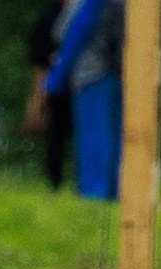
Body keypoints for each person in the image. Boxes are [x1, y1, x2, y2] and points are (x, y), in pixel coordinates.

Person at [43, 0, 121, 202]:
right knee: (114, 136)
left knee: (94, 137)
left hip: (91, 73)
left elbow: (77, 30)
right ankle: (113, 190)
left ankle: (94, 192)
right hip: (119, 73)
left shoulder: (90, 3)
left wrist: (55, 79)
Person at [24, 1, 74, 191]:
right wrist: (49, 57)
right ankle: (55, 181)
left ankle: (82, 180)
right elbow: (36, 50)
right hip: (54, 87)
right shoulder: (49, 17)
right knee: (55, 137)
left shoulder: (80, 12)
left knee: (78, 135)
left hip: (77, 84)